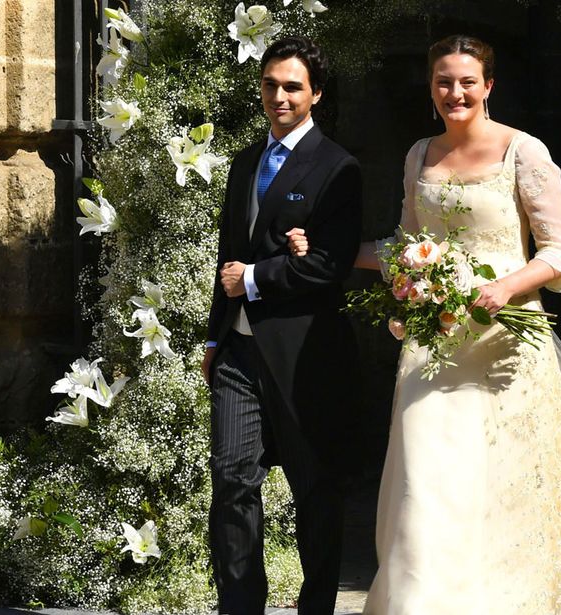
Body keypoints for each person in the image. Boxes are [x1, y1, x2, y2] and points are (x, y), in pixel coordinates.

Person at [288, 35, 561, 614]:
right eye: (443, 81)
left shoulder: (525, 152)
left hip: (506, 343)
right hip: (434, 340)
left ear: (488, 86)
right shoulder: (419, 154)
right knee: (426, 476)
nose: (455, 93)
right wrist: (329, 252)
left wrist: (504, 287)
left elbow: (559, 254)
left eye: (467, 81)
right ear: (431, 87)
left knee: (501, 484)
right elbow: (407, 246)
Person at [202, 36, 362, 615]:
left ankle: (315, 606)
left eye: (292, 86)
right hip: (239, 357)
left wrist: (256, 278)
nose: (279, 96)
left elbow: (329, 265)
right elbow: (225, 253)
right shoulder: (246, 160)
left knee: (314, 490)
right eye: (270, 84)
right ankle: (240, 607)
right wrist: (216, 337)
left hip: (303, 357)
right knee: (232, 480)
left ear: (315, 93)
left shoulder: (338, 167)